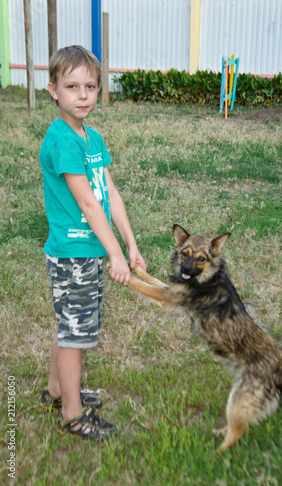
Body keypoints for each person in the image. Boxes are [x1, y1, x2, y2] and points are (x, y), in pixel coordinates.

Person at [39, 45, 146, 440]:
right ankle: (72, 412)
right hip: (74, 254)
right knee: (75, 334)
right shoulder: (63, 140)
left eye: (90, 87)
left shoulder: (93, 138)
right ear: (53, 90)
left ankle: (56, 388)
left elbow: (109, 194)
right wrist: (113, 254)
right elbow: (86, 200)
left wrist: (130, 245)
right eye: (71, 87)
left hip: (86, 252)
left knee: (68, 326)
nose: (82, 95)